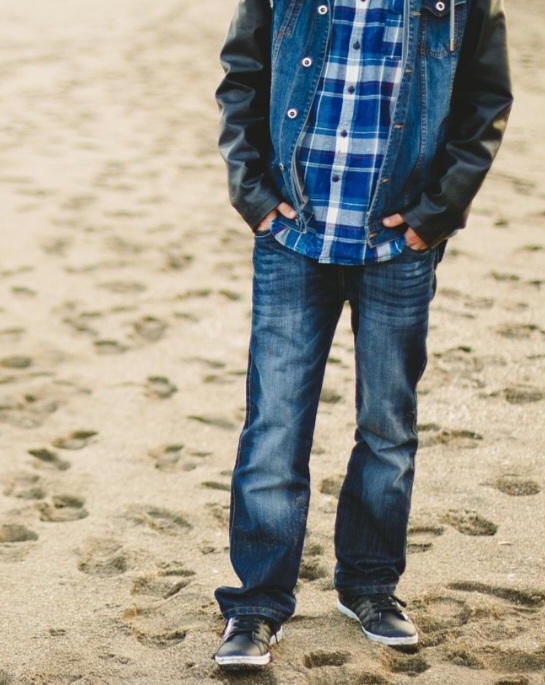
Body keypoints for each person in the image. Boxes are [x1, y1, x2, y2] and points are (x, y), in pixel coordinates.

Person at [211, 0, 512, 668]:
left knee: (387, 425)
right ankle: (256, 604)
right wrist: (253, 198)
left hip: (396, 245)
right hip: (292, 237)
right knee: (275, 425)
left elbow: (483, 105)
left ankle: (370, 586)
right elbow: (242, 78)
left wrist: (432, 217)